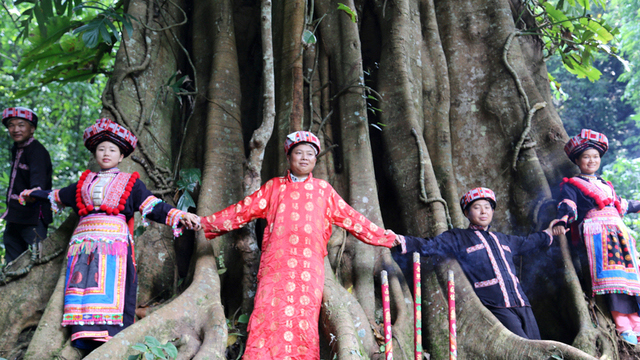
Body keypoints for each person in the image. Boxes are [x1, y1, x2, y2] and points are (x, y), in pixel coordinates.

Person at [200, 131, 404, 360]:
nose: (304, 158)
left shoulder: (324, 191)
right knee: (267, 315)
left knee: (303, 320)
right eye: (298, 153)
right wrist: (204, 222)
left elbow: (353, 219)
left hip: (308, 270)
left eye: (310, 154)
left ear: (316, 160)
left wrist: (385, 237)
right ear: (289, 157)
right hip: (275, 267)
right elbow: (242, 211)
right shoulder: (273, 187)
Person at [19, 118, 200, 351]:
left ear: (121, 156)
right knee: (82, 289)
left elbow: (152, 205)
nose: (106, 153)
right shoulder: (83, 182)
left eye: (112, 150)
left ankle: (111, 340)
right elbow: (56, 196)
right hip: (83, 246)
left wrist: (179, 214)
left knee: (112, 287)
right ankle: (82, 337)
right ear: (95, 153)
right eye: (101, 149)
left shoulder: (130, 183)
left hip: (114, 245)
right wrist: (34, 194)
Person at [392, 187, 561, 340]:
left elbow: (528, 242)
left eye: (487, 207)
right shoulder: (458, 237)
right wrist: (400, 241)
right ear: (467, 213)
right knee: (522, 346)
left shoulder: (504, 239)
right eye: (476, 207)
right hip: (495, 305)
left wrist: (549, 233)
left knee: (538, 345)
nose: (483, 211)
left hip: (521, 302)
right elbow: (431, 245)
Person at [552, 129, 640, 345]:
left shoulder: (605, 185)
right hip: (597, 236)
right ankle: (622, 326)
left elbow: (622, 204)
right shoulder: (572, 184)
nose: (592, 160)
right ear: (577, 160)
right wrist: (563, 220)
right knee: (611, 281)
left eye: (595, 156)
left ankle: (636, 324)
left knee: (630, 279)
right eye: (586, 157)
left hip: (619, 234)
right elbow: (568, 205)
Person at [1, 107, 52, 263]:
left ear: (32, 129)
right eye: (11, 125)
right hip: (14, 216)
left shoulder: (37, 151)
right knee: (12, 263)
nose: (16, 129)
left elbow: (38, 182)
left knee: (38, 261)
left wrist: (34, 191)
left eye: (21, 125)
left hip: (33, 219)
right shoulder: (16, 149)